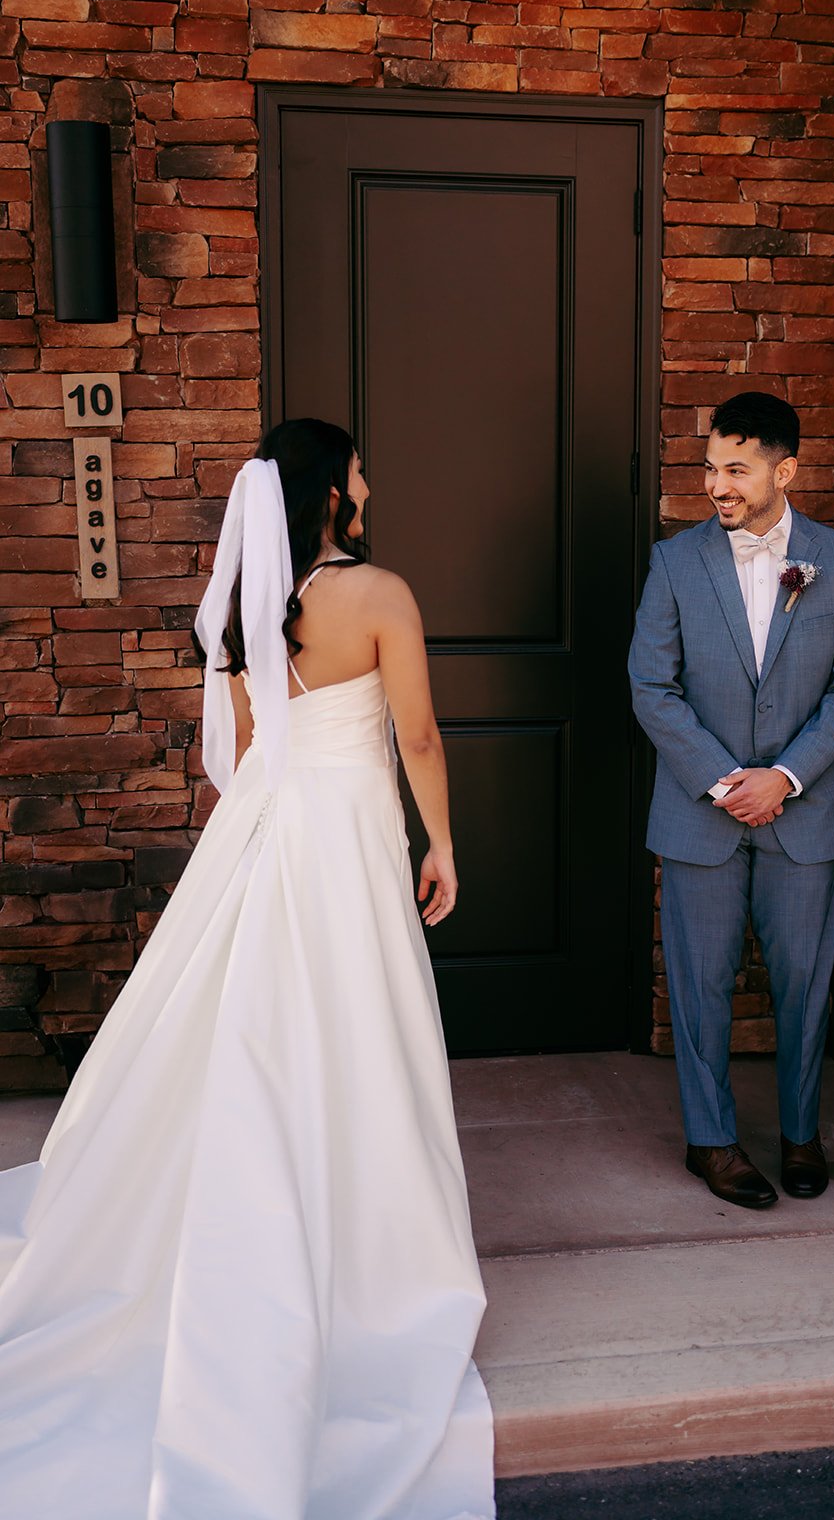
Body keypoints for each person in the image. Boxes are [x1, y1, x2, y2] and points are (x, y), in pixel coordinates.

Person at [0, 420, 496, 1520]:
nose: (370, 480)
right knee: (355, 1024)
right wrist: (442, 843)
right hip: (347, 832)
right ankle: (368, 1245)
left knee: (246, 1021)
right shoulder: (379, 595)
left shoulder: (237, 608)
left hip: (268, 825)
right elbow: (415, 737)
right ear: (331, 494)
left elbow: (242, 744)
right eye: (360, 467)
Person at [629, 391, 834, 1211]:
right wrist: (726, 781)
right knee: (698, 985)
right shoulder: (674, 561)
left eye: (735, 468)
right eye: (709, 466)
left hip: (803, 815)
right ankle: (712, 1142)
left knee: (806, 983)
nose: (716, 484)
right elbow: (650, 686)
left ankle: (801, 1135)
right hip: (699, 815)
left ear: (785, 470)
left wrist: (786, 777)